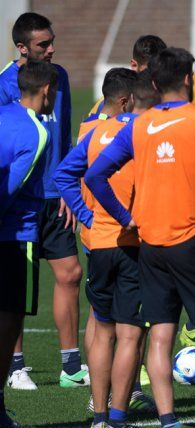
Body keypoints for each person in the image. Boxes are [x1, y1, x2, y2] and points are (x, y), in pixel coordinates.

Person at [85, 47, 195, 428]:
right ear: (187, 79)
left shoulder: (137, 125)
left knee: (159, 335)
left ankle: (169, 423)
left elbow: (96, 176)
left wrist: (127, 218)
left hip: (150, 245)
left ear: (155, 83)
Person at [87, 33, 195, 362]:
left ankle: (117, 396)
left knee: (136, 315)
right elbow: (82, 170)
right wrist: (91, 212)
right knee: (112, 319)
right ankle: (120, 388)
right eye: (150, 71)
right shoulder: (118, 117)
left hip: (144, 229)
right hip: (115, 231)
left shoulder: (170, 115)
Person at [56, 69, 162, 428]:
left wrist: (86, 215)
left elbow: (64, 176)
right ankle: (118, 421)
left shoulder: (94, 132)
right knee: (130, 334)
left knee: (102, 330)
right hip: (135, 244)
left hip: (99, 243)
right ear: (129, 99)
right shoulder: (146, 131)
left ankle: (98, 420)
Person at [0, 12, 87, 391]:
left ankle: (71, 366)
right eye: (42, 45)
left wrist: (71, 186)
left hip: (57, 196)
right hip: (21, 202)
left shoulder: (60, 76)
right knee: (17, 289)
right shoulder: (5, 84)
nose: (52, 50)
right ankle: (15, 365)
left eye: (52, 42)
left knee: (70, 274)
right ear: (22, 48)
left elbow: (64, 135)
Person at [0, 59, 58, 428]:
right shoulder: (37, 133)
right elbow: (8, 190)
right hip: (14, 239)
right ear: (47, 91)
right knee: (7, 326)